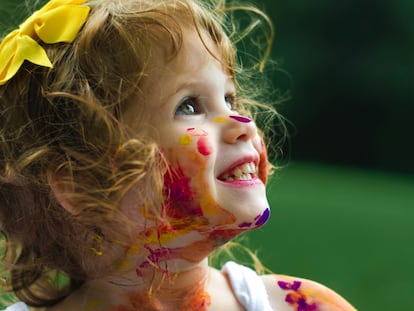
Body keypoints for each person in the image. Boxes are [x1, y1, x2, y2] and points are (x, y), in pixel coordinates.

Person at [0, 0, 357, 310]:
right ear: (79, 184)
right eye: (189, 106)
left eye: (229, 99)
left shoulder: (297, 305)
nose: (242, 122)